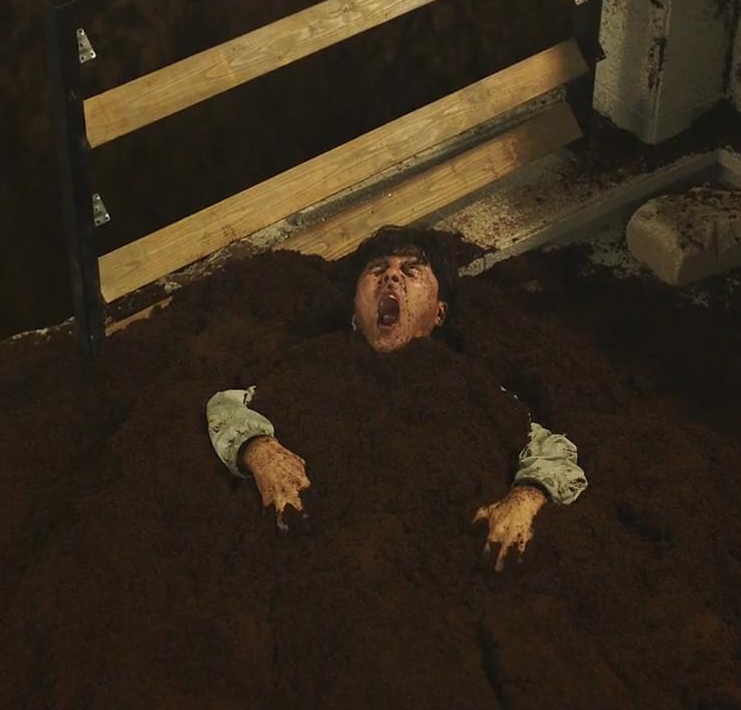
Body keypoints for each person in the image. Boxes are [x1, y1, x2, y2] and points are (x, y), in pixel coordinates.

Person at [206, 226, 587, 571]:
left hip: (440, 575)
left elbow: (552, 450)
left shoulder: (473, 385)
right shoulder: (309, 364)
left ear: (439, 313)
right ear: (355, 310)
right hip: (310, 564)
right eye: (378, 270)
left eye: (411, 271)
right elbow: (228, 405)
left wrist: (525, 498)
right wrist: (260, 451)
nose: (391, 276)